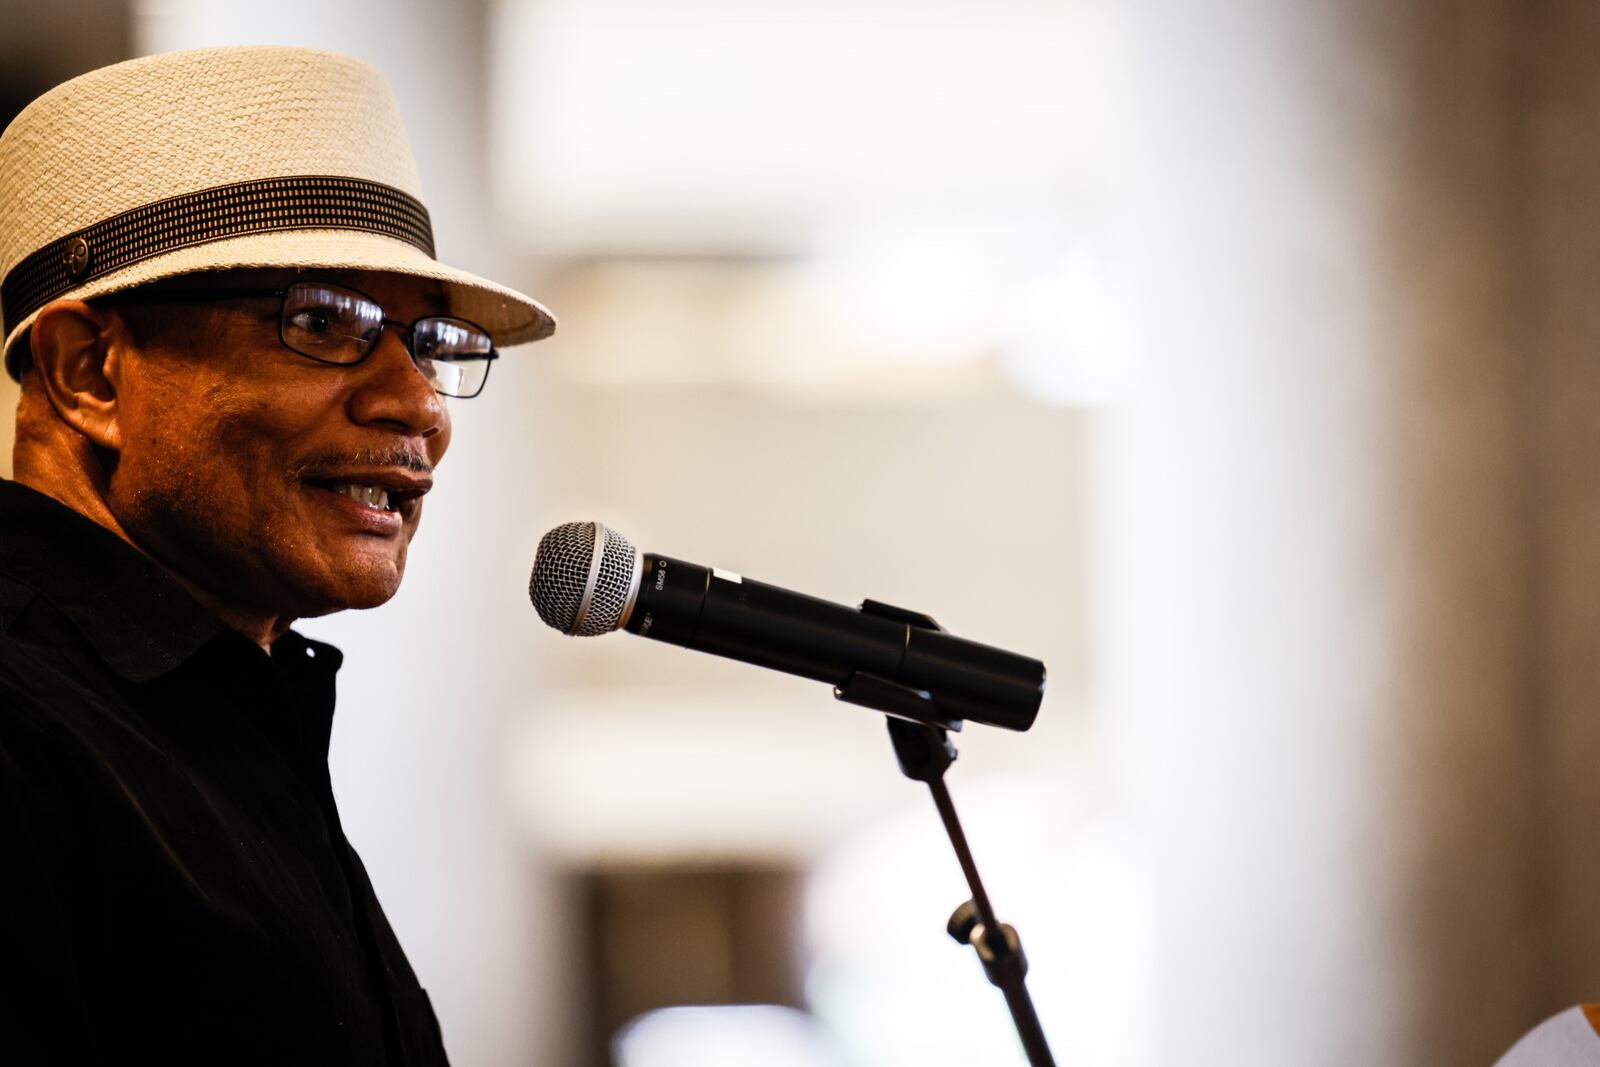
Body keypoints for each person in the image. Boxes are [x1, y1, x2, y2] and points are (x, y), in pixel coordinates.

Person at [0, 46, 554, 1063]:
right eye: (322, 321)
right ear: (88, 373)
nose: (419, 404)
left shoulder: (227, 716)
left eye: (428, 340)